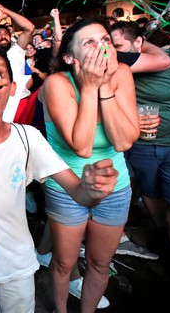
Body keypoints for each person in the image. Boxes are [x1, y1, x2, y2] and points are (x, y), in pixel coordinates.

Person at [0, 42, 118, 312]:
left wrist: (93, 188)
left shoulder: (26, 137)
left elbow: (78, 192)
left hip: (18, 262)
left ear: (12, 89)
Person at [39, 17, 140, 312]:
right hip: (68, 186)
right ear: (70, 57)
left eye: (106, 39)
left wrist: (106, 86)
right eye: (90, 42)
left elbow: (123, 142)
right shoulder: (57, 83)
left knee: (100, 262)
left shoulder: (121, 74)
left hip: (116, 186)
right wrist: (90, 88)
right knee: (63, 262)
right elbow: (81, 146)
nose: (103, 47)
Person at [110, 20, 170, 284]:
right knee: (152, 192)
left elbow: (164, 61)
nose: (114, 52)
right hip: (141, 146)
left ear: (138, 43)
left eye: (118, 46)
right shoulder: (117, 70)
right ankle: (161, 232)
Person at [0, 1, 35, 123]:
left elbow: (30, 28)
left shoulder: (17, 49)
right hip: (1, 104)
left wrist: (5, 11)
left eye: (6, 33)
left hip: (22, 101)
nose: (3, 36)